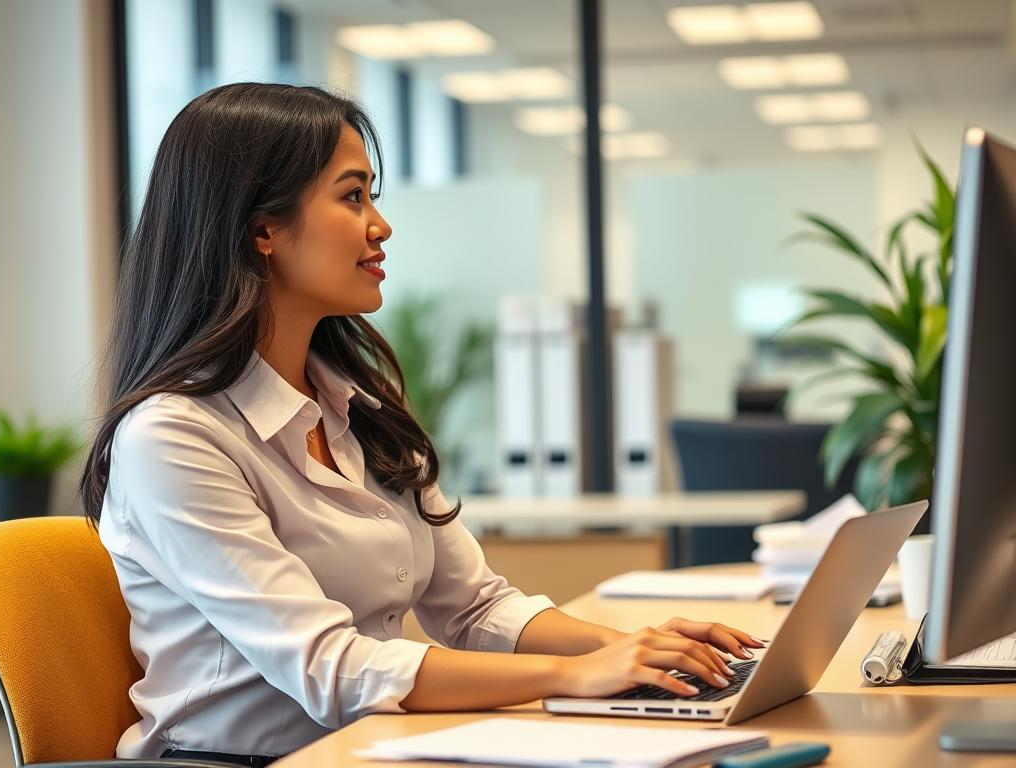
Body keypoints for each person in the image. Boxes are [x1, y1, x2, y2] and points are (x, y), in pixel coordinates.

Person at [79, 82, 765, 767]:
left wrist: (635, 652)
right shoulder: (172, 438)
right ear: (264, 230)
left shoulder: (359, 409)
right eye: (353, 197)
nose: (380, 226)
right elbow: (332, 667)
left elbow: (473, 607)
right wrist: (574, 675)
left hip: (372, 746)